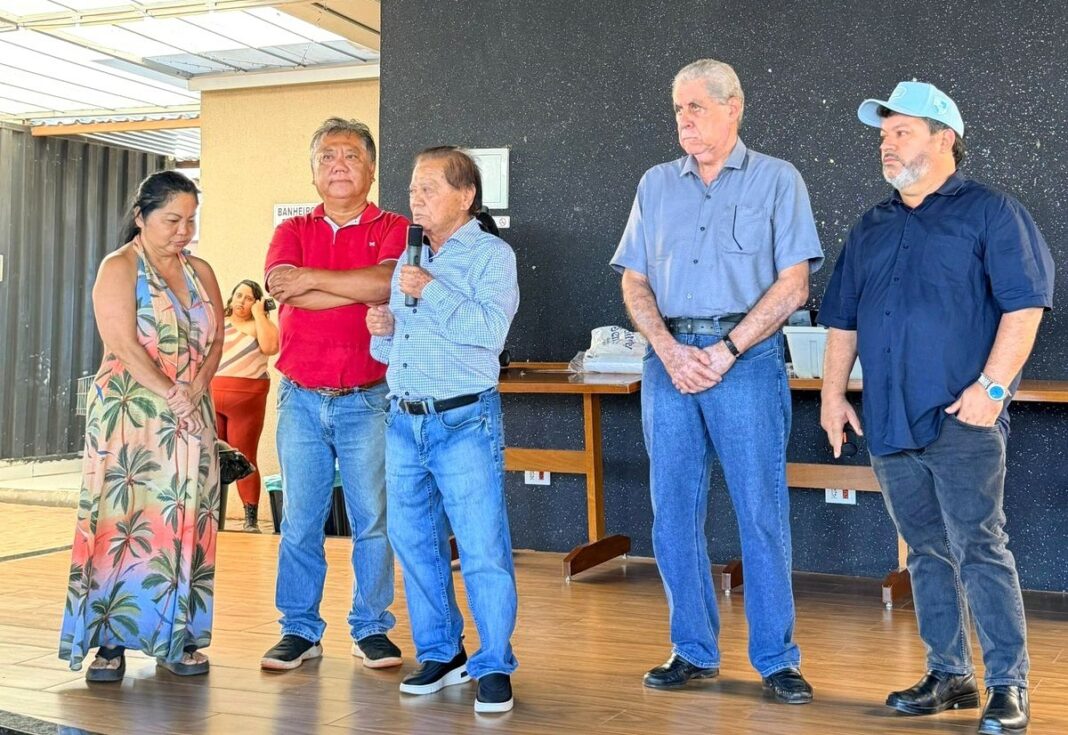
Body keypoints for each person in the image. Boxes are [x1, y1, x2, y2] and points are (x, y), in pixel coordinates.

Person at [819, 81, 1054, 735]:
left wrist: (993, 389)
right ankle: (950, 672)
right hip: (890, 419)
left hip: (962, 419)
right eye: (884, 135)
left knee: (980, 546)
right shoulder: (870, 226)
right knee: (924, 550)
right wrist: (835, 394)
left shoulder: (993, 214)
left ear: (944, 138)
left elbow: (1025, 305)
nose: (887, 145)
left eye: (901, 132)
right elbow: (841, 321)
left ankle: (1009, 684)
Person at [610, 59, 824, 703]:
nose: (684, 119)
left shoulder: (779, 181)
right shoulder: (654, 185)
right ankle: (693, 651)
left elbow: (795, 285)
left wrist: (728, 349)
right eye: (678, 108)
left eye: (696, 107)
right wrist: (669, 350)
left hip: (749, 361)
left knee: (761, 512)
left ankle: (776, 657)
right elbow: (634, 279)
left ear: (735, 108)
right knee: (672, 514)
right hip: (668, 361)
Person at [367, 146, 520, 713]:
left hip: (463, 421)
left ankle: (495, 663)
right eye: (412, 188)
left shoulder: (491, 257)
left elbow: (487, 334)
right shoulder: (408, 256)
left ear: (466, 196)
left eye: (429, 188)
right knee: (413, 545)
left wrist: (430, 288)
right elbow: (392, 350)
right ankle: (440, 651)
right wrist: (379, 328)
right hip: (404, 419)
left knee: (482, 547)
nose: (415, 198)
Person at [59, 171, 225, 682]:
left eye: (190, 220)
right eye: (172, 219)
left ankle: (177, 638)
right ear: (141, 216)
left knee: (185, 524)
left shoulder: (200, 269)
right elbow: (123, 344)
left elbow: (217, 335)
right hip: (131, 419)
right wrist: (172, 390)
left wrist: (195, 386)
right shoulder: (120, 266)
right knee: (123, 527)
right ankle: (109, 643)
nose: (183, 231)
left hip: (190, 414)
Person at [260, 118, 407, 672]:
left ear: (370, 168)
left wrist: (313, 284)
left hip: (369, 397)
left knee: (373, 519)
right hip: (299, 396)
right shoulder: (292, 228)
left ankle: (371, 628)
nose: (338, 164)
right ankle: (299, 629)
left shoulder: (394, 224)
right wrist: (350, 287)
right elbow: (280, 286)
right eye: (327, 156)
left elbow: (385, 284)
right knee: (300, 518)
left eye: (350, 155)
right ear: (314, 171)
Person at [211, 279, 279, 532]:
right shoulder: (220, 322)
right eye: (238, 295)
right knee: (212, 457)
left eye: (248, 297)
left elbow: (271, 347)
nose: (241, 301)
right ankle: (211, 514)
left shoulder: (259, 326)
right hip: (213, 395)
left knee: (245, 455)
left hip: (246, 400)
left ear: (257, 302)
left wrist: (260, 315)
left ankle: (250, 517)